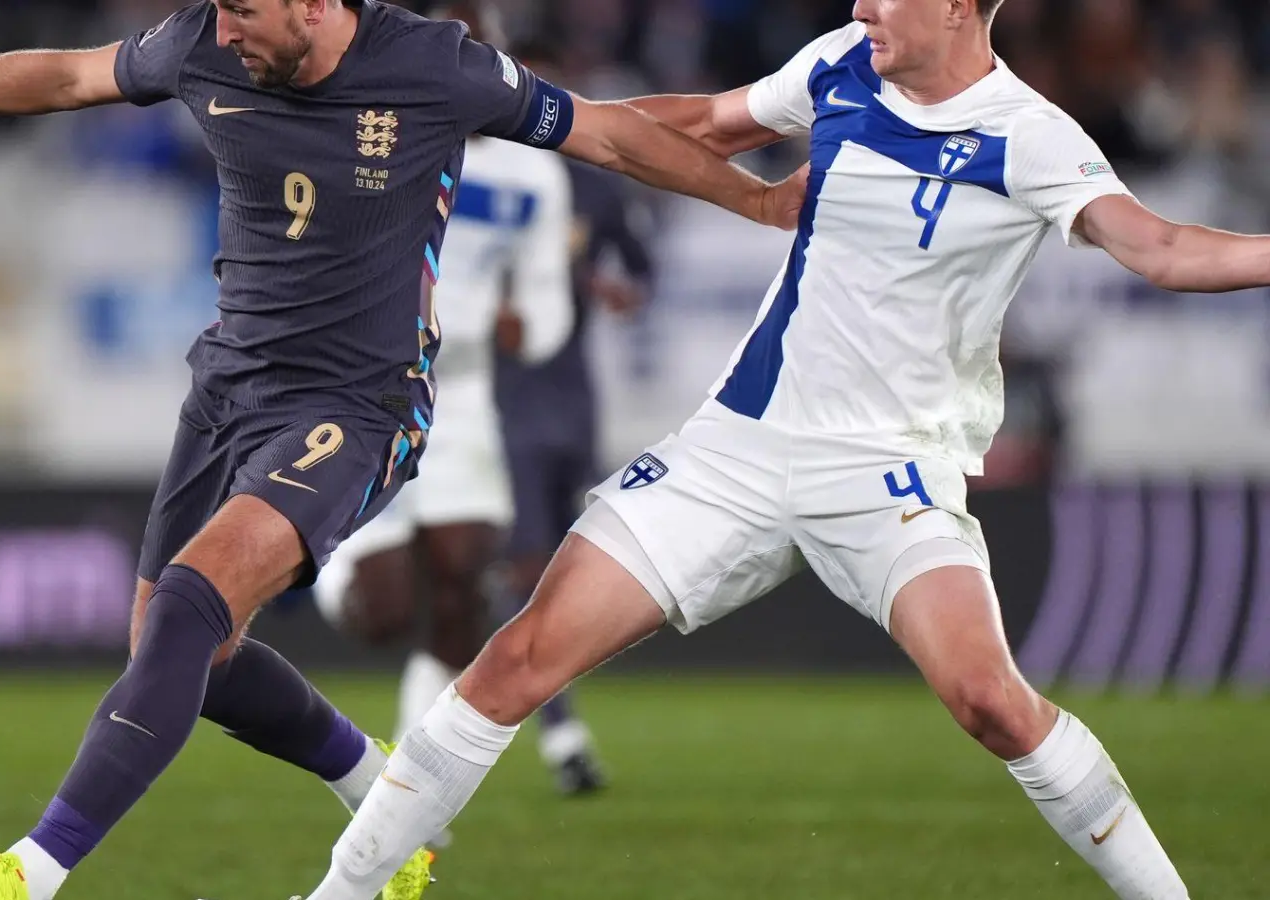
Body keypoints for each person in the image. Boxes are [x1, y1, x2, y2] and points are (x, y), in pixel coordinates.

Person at [0, 3, 802, 900]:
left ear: (315, 6)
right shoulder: (200, 42)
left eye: (241, 12)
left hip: (357, 405)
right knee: (186, 653)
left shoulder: (434, 65)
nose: (221, 29)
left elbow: (610, 136)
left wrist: (754, 200)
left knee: (194, 599)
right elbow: (63, 76)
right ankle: (382, 802)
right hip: (225, 388)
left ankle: (28, 872)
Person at [293, 1, 1270, 897]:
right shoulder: (844, 63)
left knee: (990, 703)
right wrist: (539, 117)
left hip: (887, 468)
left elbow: (1164, 249)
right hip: (737, 450)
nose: (860, 8)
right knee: (516, 659)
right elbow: (711, 122)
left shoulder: (1031, 138)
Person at [311, 0, 603, 808]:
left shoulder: (531, 172)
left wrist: (527, 327)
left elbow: (547, 310)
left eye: (482, 48)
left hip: (466, 393)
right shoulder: (373, 140)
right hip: (363, 386)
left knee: (461, 592)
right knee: (386, 610)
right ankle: (322, 568)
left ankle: (406, 800)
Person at [489, 37, 657, 797]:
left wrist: (621, 290)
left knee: (571, 562)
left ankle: (548, 717)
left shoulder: (592, 186)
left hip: (572, 396)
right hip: (498, 398)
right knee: (526, 564)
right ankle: (559, 734)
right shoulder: (483, 177)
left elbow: (639, 265)